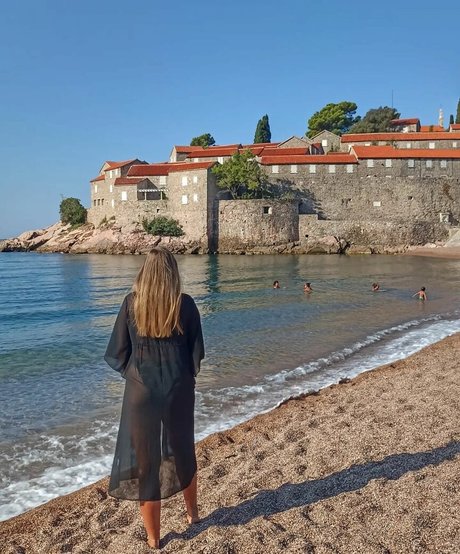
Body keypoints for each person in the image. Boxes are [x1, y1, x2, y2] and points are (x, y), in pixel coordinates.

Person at [104, 247, 204, 549]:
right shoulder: (185, 304)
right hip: (178, 388)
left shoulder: (131, 304)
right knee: (183, 451)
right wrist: (180, 378)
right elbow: (196, 354)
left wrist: (137, 376)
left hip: (141, 391)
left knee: (146, 464)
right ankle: (193, 515)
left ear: (144, 272)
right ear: (173, 273)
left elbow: (117, 353)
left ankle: (153, 537)